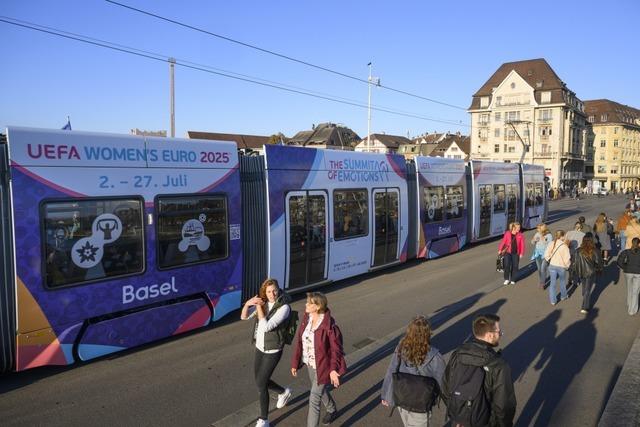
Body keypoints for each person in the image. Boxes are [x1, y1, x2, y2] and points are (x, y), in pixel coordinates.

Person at [442, 314, 516, 427]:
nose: (500, 335)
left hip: (459, 421)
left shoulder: (458, 354)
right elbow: (504, 406)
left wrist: (460, 414)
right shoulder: (499, 365)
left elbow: (446, 387)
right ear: (490, 335)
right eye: (499, 332)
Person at [241, 279, 293, 427]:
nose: (272, 294)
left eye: (274, 290)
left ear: (279, 289)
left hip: (273, 349)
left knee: (261, 384)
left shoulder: (284, 307)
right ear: (265, 292)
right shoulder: (263, 303)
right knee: (260, 381)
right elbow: (244, 317)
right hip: (259, 347)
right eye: (269, 291)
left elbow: (267, 327)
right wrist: (248, 304)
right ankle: (283, 392)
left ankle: (264, 419)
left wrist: (259, 307)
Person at [291, 292, 347, 427]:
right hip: (310, 363)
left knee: (314, 398)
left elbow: (336, 350)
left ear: (317, 306)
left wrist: (333, 369)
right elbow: (300, 342)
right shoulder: (307, 318)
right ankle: (332, 409)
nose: (306, 304)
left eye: (309, 303)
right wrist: (295, 362)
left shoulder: (329, 326)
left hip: (324, 366)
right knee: (319, 390)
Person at [381, 316, 446, 427]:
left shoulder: (401, 347)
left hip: (402, 398)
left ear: (409, 331)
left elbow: (392, 370)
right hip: (421, 403)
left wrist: (386, 395)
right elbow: (443, 381)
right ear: (428, 334)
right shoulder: (435, 356)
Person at [571, 233, 603, 314]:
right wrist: (599, 270)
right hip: (590, 272)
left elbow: (573, 261)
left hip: (581, 271)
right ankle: (584, 307)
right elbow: (598, 262)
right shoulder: (595, 250)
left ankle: (585, 298)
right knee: (587, 290)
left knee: (585, 288)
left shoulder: (578, 250)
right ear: (592, 241)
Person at [544, 230, 571, 306]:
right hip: (561, 267)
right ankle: (563, 296)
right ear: (562, 236)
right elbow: (567, 258)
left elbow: (546, 254)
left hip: (552, 265)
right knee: (562, 282)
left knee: (552, 283)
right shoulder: (564, 246)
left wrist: (549, 260)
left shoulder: (551, 243)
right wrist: (567, 266)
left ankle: (553, 300)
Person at [617, 237, 640, 316]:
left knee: (629, 289)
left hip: (628, 272)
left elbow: (619, 261)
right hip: (638, 273)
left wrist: (625, 267)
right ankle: (632, 310)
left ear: (631, 243)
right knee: (635, 292)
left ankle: (629, 304)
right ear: (639, 244)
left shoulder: (626, 251)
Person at [531, 223, 553, 288]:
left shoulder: (549, 235)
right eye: (537, 228)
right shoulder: (537, 234)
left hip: (545, 254)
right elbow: (532, 242)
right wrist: (534, 240)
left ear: (542, 228)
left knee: (543, 268)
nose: (537, 229)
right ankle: (542, 279)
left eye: (538, 228)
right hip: (538, 253)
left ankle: (542, 283)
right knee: (539, 269)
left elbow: (550, 244)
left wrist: (544, 240)